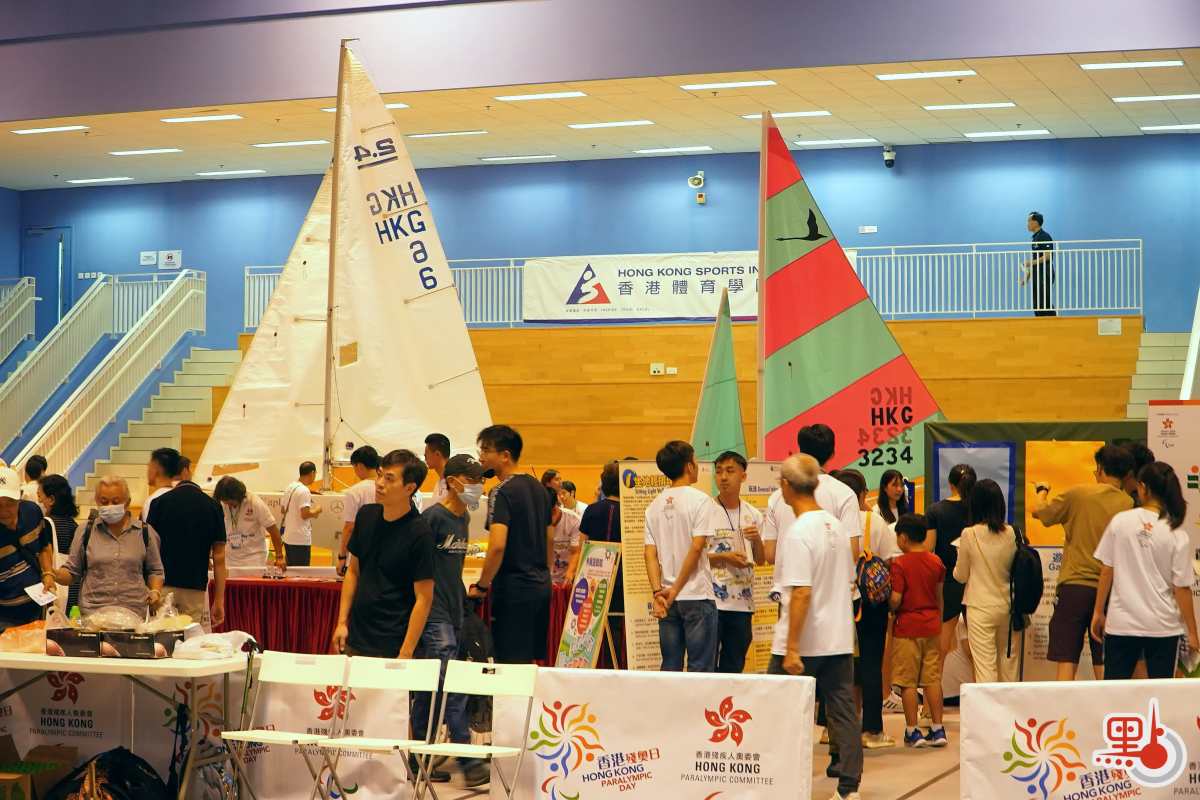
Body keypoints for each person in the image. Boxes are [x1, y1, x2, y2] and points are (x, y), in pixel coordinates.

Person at [768, 454, 862, 800]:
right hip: (837, 637)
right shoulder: (835, 527)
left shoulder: (798, 533)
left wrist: (792, 648)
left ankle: (779, 781)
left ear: (786, 486)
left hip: (803, 642)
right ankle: (849, 788)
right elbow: (847, 580)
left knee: (777, 711)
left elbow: (802, 592)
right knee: (843, 713)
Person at [413, 454, 489, 788]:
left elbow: (451, 570)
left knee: (432, 686)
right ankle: (468, 759)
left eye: (481, 480)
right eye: (473, 480)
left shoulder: (463, 520)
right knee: (452, 684)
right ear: (454, 481)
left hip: (455, 612)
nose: (479, 487)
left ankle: (418, 757)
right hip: (434, 615)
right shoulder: (432, 518)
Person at [1032, 444, 1134, 680]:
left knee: (1067, 659)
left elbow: (1040, 512)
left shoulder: (1078, 494)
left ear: (1100, 469)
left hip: (1074, 587)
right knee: (1104, 660)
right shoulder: (1129, 504)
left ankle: (1063, 705)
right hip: (1111, 592)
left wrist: (1042, 490)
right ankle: (1107, 704)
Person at [1091, 462, 1199, 680]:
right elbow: (1181, 588)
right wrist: (1193, 632)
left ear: (1143, 487)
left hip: (1122, 624)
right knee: (1160, 692)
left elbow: (1107, 570)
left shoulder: (1120, 522)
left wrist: (1098, 612)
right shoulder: (1176, 531)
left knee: (1114, 690)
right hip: (1163, 627)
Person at [332, 450, 434, 660]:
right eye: (379, 475)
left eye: (389, 479)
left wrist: (406, 651)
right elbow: (353, 571)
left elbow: (424, 598)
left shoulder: (420, 533)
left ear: (409, 488)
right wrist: (342, 622)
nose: (379, 483)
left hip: (393, 643)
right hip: (357, 637)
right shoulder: (366, 515)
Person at [469, 425, 553, 664]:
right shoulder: (540, 489)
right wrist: (544, 573)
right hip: (541, 587)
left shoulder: (501, 491)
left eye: (486, 450)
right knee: (528, 663)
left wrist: (482, 586)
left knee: (508, 664)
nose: (481, 457)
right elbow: (550, 537)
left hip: (514, 590)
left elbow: (497, 545)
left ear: (505, 455)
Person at [834, 468, 899, 750]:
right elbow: (890, 561)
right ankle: (871, 730)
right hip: (871, 602)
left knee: (836, 663)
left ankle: (831, 729)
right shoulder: (875, 521)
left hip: (836, 599)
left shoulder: (828, 521)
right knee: (872, 662)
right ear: (862, 494)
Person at [643, 440, 718, 672]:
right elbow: (696, 548)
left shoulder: (653, 506)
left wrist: (658, 592)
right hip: (696, 595)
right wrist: (675, 590)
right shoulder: (701, 500)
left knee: (670, 667)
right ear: (689, 466)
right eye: (695, 460)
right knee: (700, 669)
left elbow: (649, 553)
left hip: (666, 598)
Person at [55, 476, 164, 618]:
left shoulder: (145, 532)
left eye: (116, 502)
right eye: (104, 502)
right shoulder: (85, 531)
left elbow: (155, 570)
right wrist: (53, 574)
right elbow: (72, 571)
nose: (110, 506)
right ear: (97, 502)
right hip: (93, 614)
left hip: (134, 613)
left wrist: (155, 591)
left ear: (127, 502)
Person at [146, 457, 227, 629]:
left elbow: (148, 549)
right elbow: (219, 557)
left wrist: (150, 588)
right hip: (194, 586)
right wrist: (219, 600)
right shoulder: (213, 506)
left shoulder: (158, 503)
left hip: (162, 586)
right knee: (189, 638)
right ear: (185, 471)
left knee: (161, 635)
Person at [889, 513, 947, 748]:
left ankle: (913, 731)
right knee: (932, 679)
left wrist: (889, 605)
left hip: (907, 627)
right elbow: (940, 597)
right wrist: (938, 622)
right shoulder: (936, 562)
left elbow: (896, 599)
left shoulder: (899, 564)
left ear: (903, 538)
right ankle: (938, 728)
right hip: (932, 625)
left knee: (908, 681)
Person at [763, 424, 860, 566]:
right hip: (828, 579)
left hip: (788, 578)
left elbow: (770, 555)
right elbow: (852, 552)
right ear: (832, 454)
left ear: (800, 452)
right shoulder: (845, 494)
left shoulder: (778, 496)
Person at [953, 479, 1018, 683]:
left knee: (985, 668)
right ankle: (1010, 704)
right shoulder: (1013, 533)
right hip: (1009, 606)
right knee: (1009, 665)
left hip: (979, 606)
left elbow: (961, 575)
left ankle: (989, 705)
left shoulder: (969, 534)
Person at [709, 451, 765, 674]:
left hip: (743, 604)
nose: (723, 477)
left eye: (730, 471)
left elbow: (760, 559)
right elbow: (694, 557)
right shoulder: (705, 511)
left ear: (743, 476)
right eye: (719, 471)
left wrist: (757, 540)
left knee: (734, 666)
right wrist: (724, 557)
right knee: (706, 665)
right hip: (711, 603)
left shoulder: (753, 514)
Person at [925, 464, 975, 668]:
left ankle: (933, 690)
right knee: (978, 647)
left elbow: (928, 549)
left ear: (950, 483)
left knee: (942, 644)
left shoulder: (935, 510)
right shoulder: (978, 510)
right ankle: (980, 688)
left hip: (948, 581)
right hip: (975, 581)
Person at [578, 461, 624, 667]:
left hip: (592, 577)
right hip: (621, 578)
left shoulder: (591, 510)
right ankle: (614, 666)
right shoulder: (629, 512)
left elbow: (582, 545)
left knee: (589, 624)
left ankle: (589, 664)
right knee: (615, 625)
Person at [0, 466, 55, 632]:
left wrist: (48, 574)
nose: (3, 511)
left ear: (20, 497)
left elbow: (44, 546)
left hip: (37, 605)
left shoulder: (32, 512)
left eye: (9, 503)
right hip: (4, 613)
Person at [214, 477, 286, 572]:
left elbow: (273, 530)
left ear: (237, 496)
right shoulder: (222, 503)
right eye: (225, 502)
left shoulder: (255, 503)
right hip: (229, 559)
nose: (228, 505)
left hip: (253, 560)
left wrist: (279, 557)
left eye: (230, 502)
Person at [37, 474, 80, 613]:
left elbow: (46, 557)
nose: (39, 501)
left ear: (51, 500)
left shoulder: (46, 524)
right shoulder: (74, 525)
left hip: (55, 587)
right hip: (73, 589)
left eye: (40, 496)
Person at [337, 445, 380, 577]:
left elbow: (349, 527)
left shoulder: (355, 491)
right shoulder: (388, 488)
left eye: (354, 467)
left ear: (360, 466)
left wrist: (342, 556)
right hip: (384, 553)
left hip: (359, 555)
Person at [281, 461, 323, 567]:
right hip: (300, 539)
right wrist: (317, 510)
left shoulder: (290, 487)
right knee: (302, 572)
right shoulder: (304, 491)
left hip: (288, 537)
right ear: (312, 473)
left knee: (291, 571)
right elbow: (304, 514)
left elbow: (283, 509)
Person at [1023, 211, 1056, 317]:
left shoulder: (1044, 236)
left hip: (1045, 273)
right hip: (1037, 274)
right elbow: (1035, 260)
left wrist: (1030, 263)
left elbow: (1047, 256)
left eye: (1029, 221)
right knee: (1037, 302)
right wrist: (1027, 278)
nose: (1027, 224)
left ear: (1036, 222)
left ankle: (1054, 323)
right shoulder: (1035, 238)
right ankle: (1040, 323)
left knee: (1044, 301)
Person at [548, 488, 583, 586]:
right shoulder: (535, 519)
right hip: (544, 578)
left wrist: (570, 573)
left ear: (556, 507)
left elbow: (576, 551)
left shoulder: (573, 520)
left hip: (565, 577)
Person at [142, 448, 178, 522]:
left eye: (149, 466)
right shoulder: (182, 497)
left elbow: (149, 528)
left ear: (155, 469)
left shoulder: (153, 501)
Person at [423, 433, 451, 506]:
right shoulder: (439, 483)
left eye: (426, 456)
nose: (425, 459)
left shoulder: (452, 485)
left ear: (437, 454)